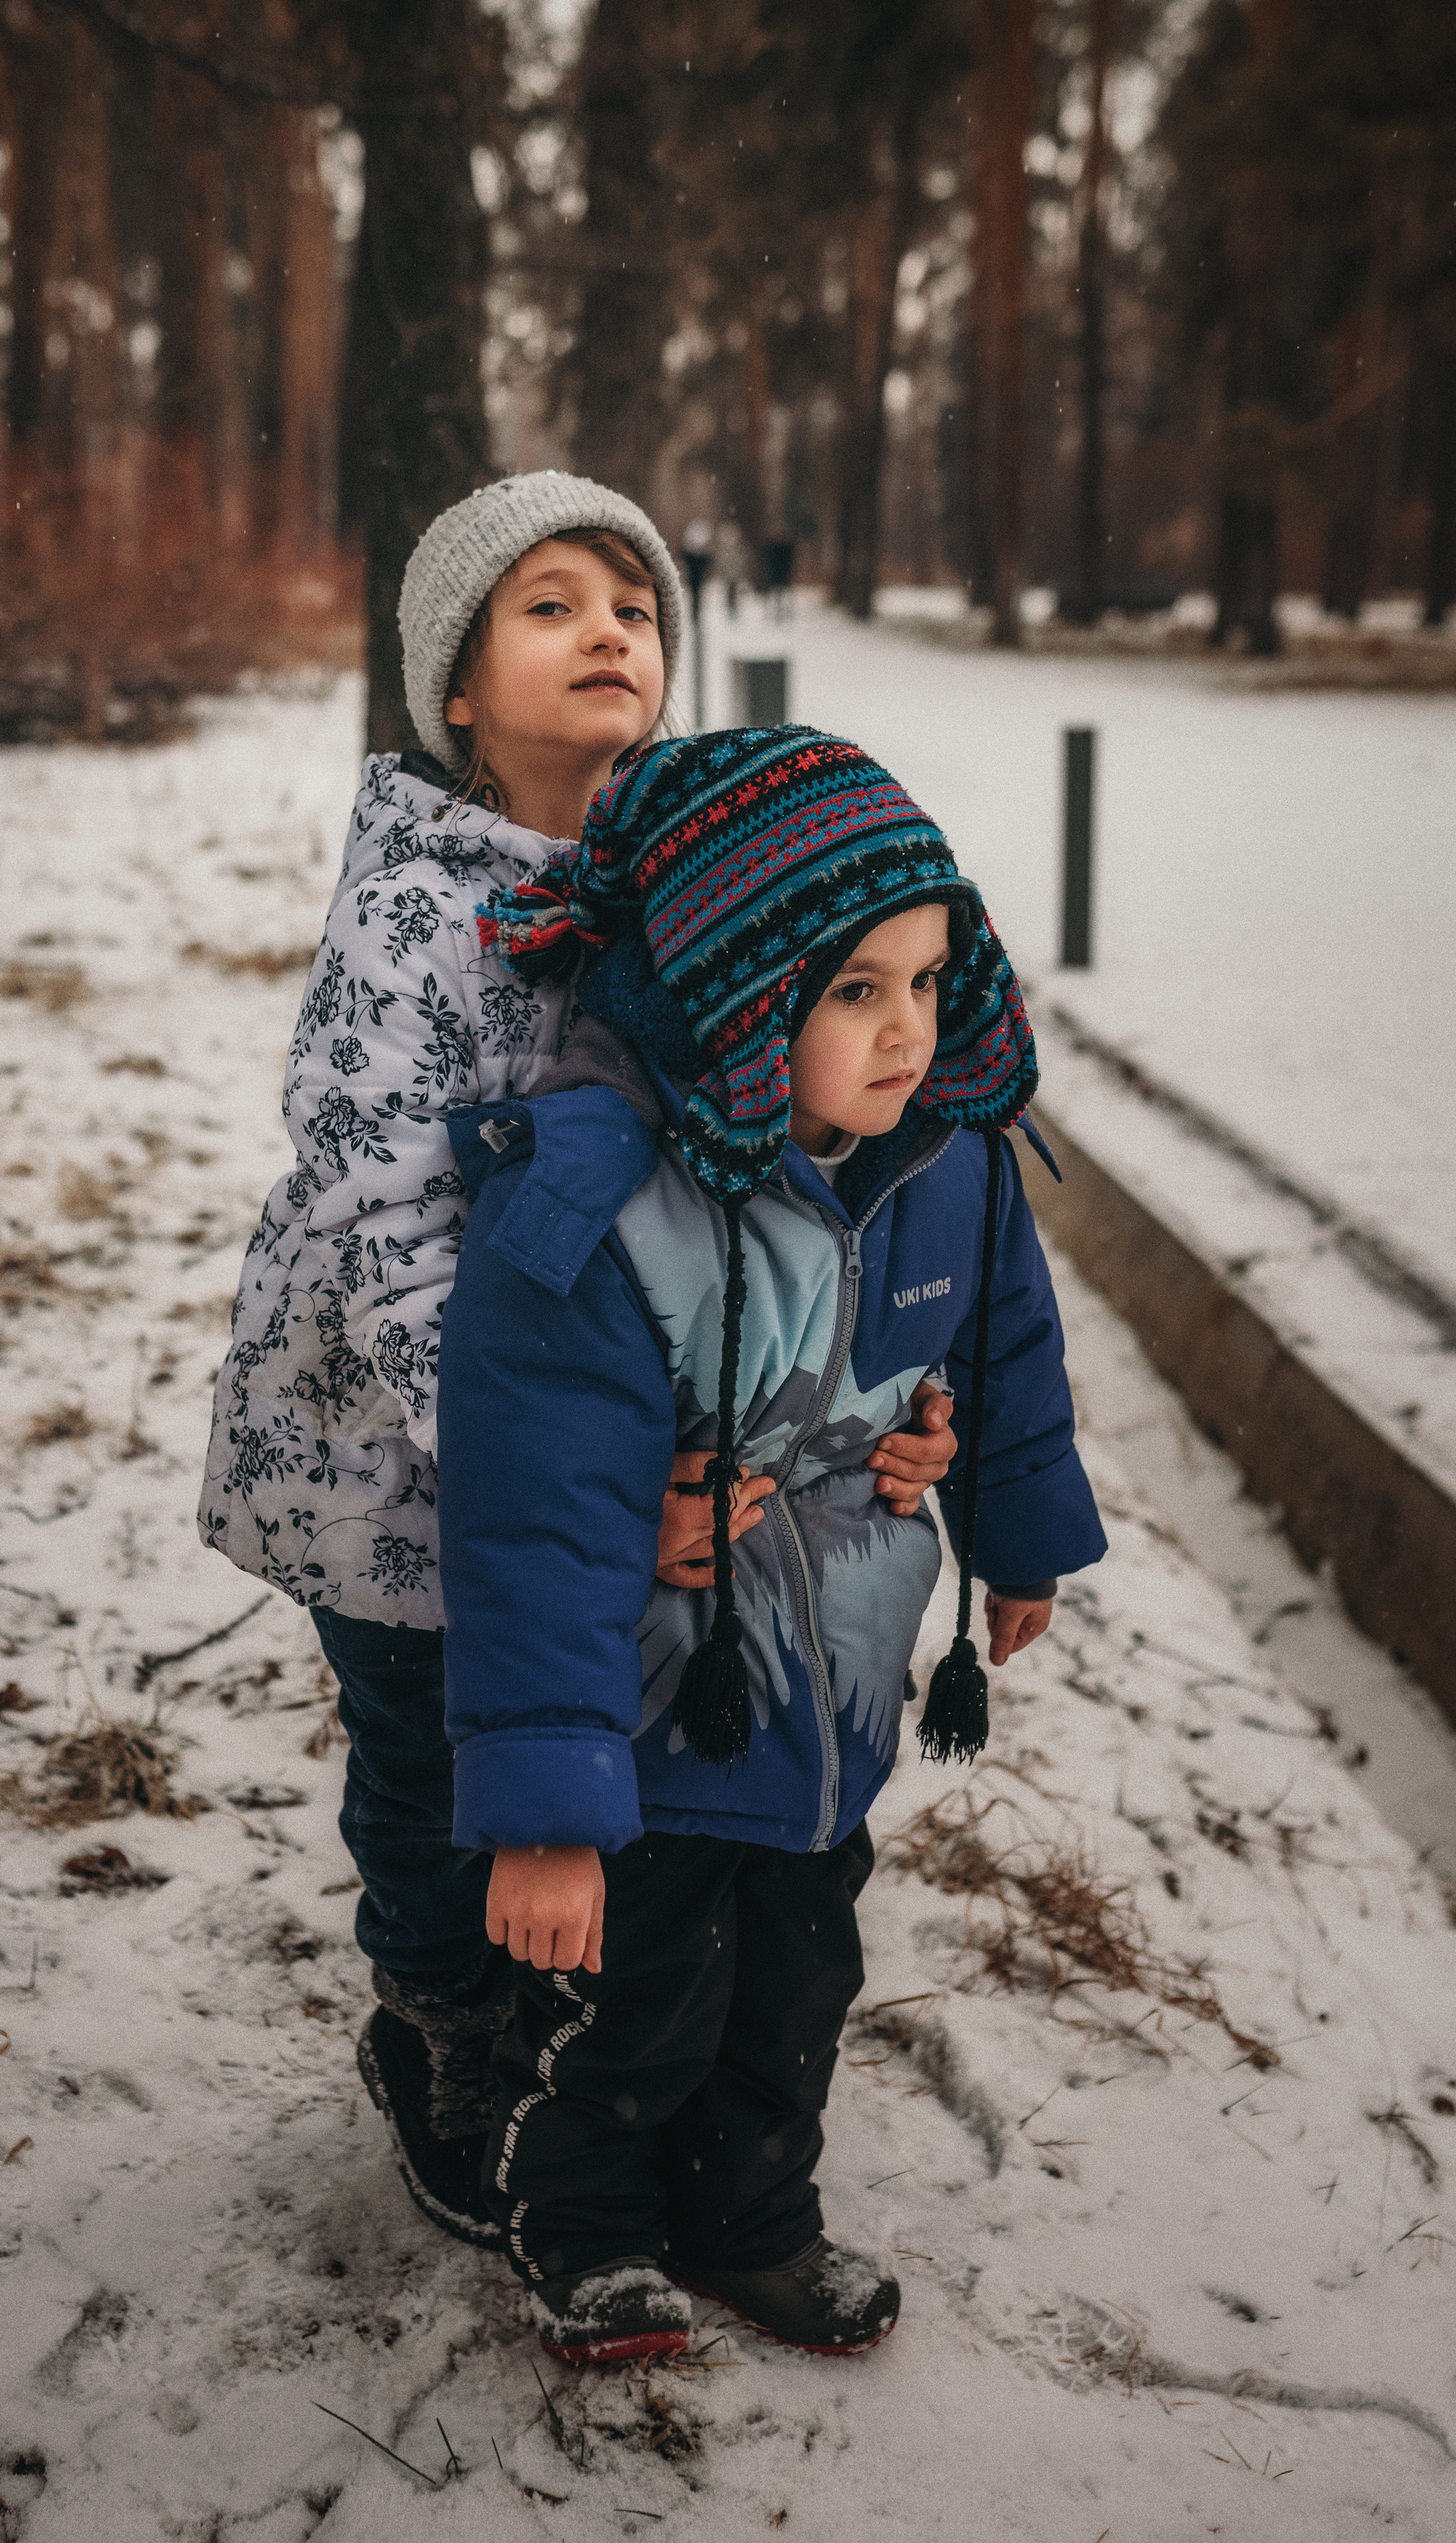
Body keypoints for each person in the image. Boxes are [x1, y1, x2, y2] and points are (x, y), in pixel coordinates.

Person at [197, 477, 962, 2249]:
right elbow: (382, 1223)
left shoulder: (691, 885)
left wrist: (844, 1412)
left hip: (623, 1447)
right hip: (392, 1465)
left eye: (635, 603)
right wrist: (555, 1481)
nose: (612, 626)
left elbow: (768, 1152)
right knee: (426, 1766)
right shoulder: (412, 919)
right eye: (549, 605)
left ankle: (562, 1999)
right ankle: (440, 2024)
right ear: (456, 690)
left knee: (573, 1729)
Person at [440, 726, 1106, 2366]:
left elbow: (1000, 1350)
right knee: (644, 1996)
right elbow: (532, 1519)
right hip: (667, 1698)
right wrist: (541, 1816)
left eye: (928, 982)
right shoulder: (597, 1208)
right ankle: (584, 2223)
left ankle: (751, 2219)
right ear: (740, 991)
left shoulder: (944, 1162)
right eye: (855, 993)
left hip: (834, 1687)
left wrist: (1010, 1539)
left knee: (795, 1986)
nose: (907, 1036)